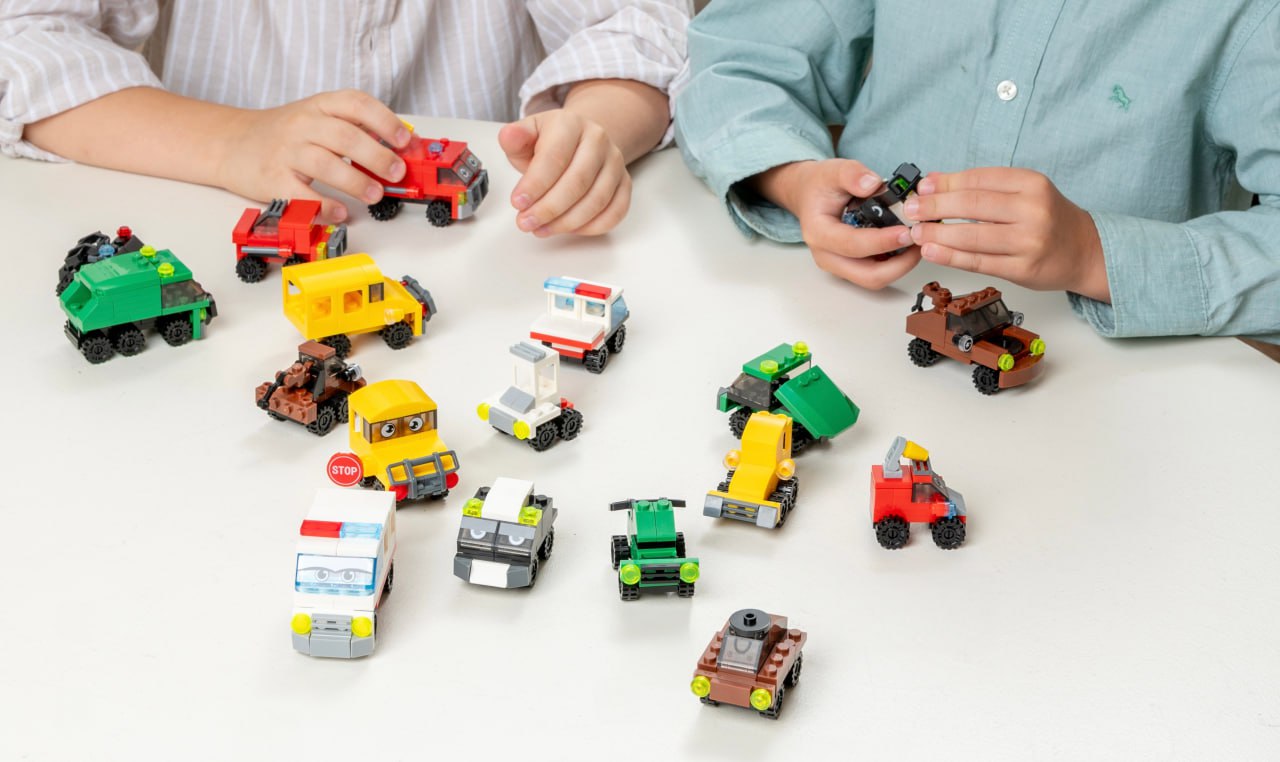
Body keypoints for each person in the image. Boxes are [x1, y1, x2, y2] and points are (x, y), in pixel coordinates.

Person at [674, 1, 1280, 343]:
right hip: (842, 316)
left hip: (1112, 390)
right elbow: (738, 61)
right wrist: (794, 178)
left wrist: (1094, 255)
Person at [0, 0, 691, 236]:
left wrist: (592, 130)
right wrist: (231, 142)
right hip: (207, 216)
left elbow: (637, 24)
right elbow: (23, 35)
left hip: (491, 247)